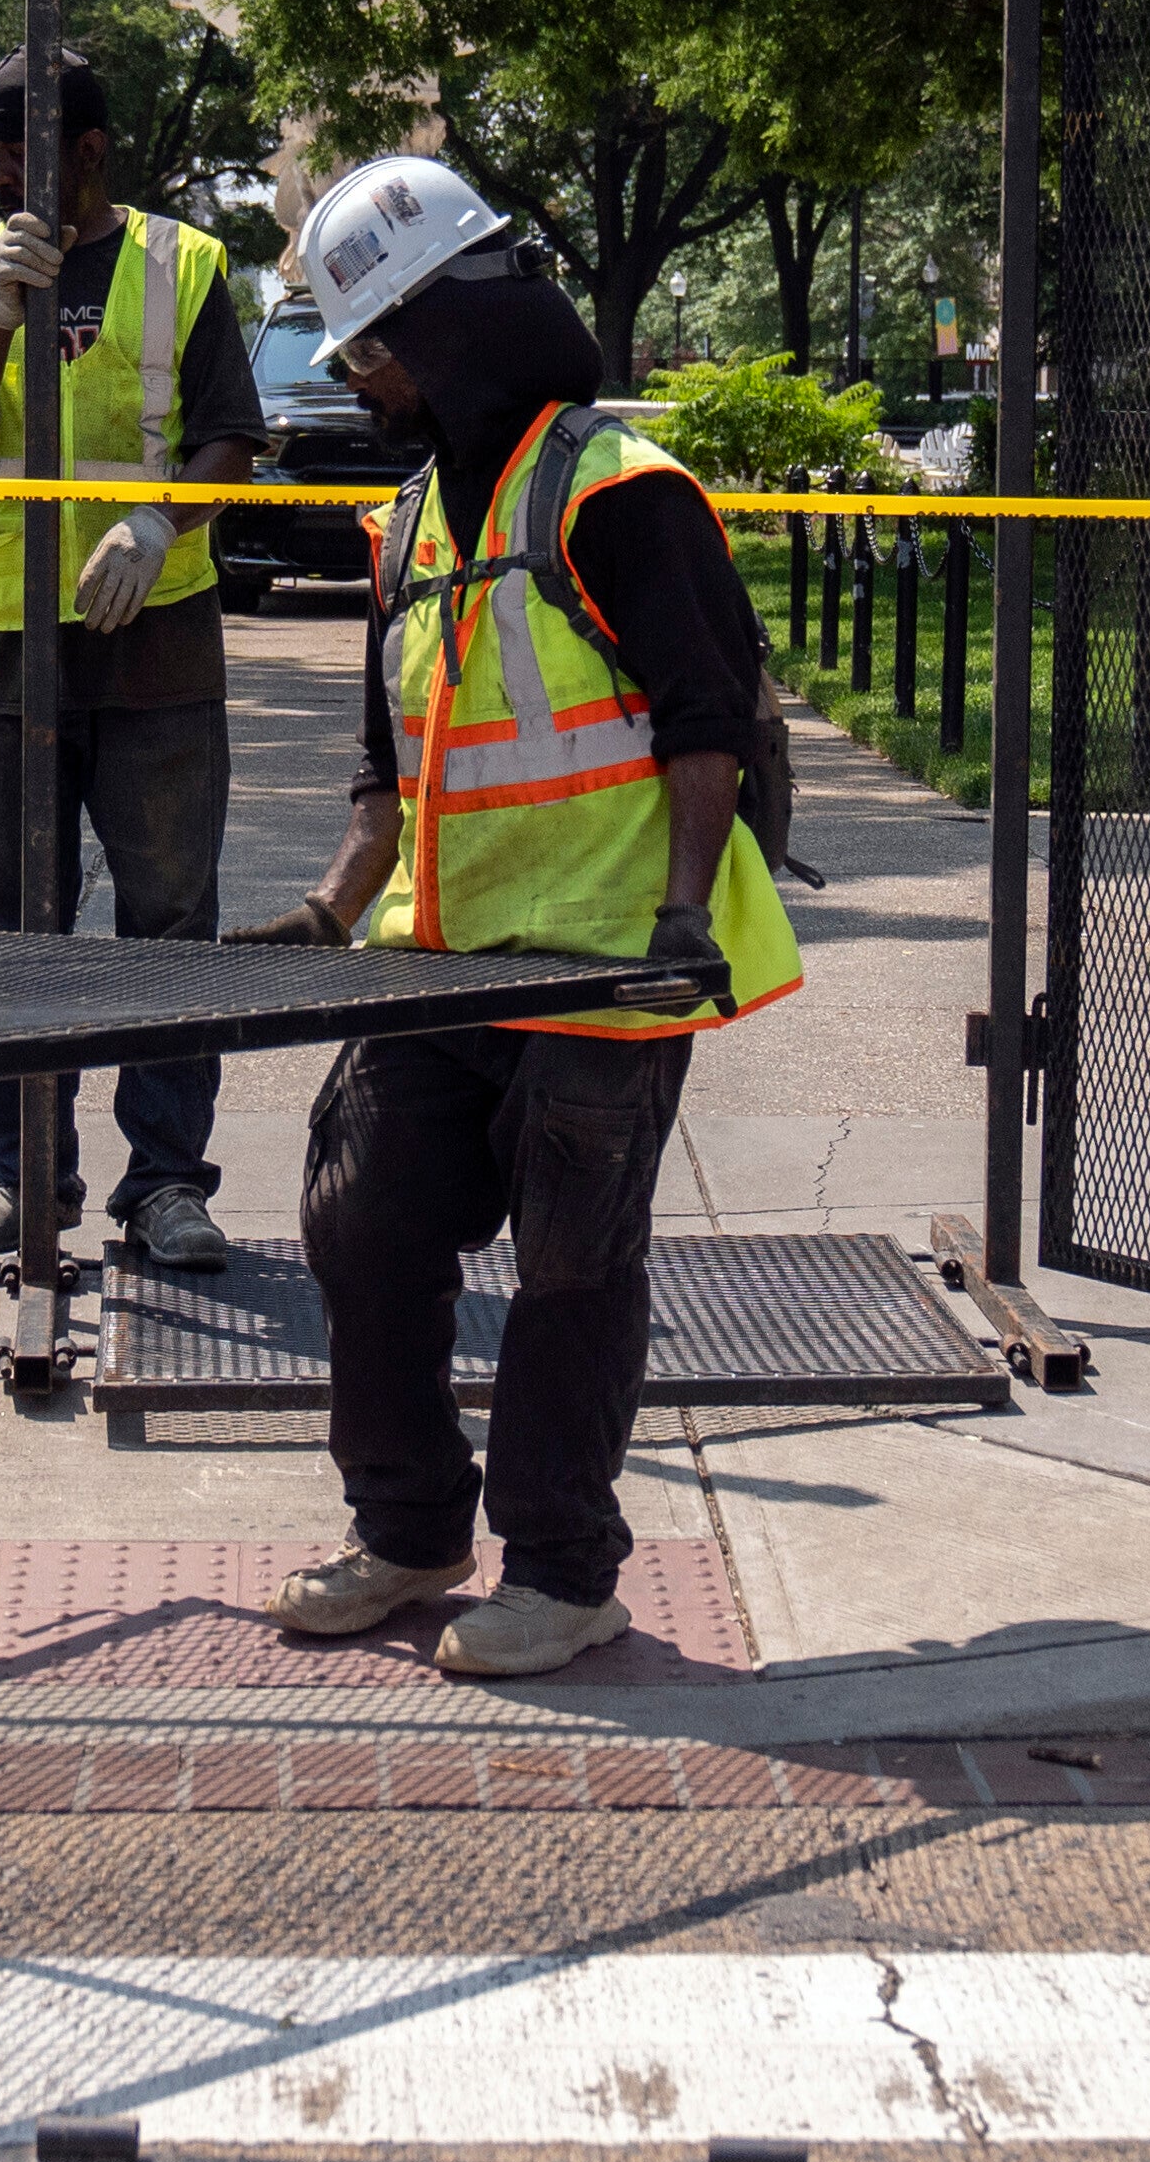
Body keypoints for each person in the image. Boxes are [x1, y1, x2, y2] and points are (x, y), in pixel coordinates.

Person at [222, 154, 797, 1679]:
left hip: (608, 960)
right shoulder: (408, 521)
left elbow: (706, 719)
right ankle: (412, 1530)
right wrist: (328, 908)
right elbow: (390, 760)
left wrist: (683, 916)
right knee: (362, 1227)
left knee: (569, 1266)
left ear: (443, 324)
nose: (358, 375)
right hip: (438, 958)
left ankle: (560, 1570)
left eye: (369, 344)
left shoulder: (622, 494)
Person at [0, 43, 264, 1274]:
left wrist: (159, 520)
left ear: (93, 152)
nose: (5, 175)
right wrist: (1, 315)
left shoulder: (185, 264)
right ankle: (24, 1178)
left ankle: (166, 1184)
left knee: (171, 923)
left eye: (27, 153)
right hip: (9, 644)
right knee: (17, 922)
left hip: (158, 641)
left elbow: (229, 438)